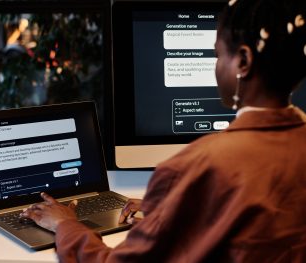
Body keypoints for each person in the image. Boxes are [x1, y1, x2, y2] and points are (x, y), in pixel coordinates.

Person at [21, 0, 306, 261]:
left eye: (218, 55)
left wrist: (65, 224)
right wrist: (177, 213)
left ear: (243, 61)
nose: (216, 67)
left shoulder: (194, 166)